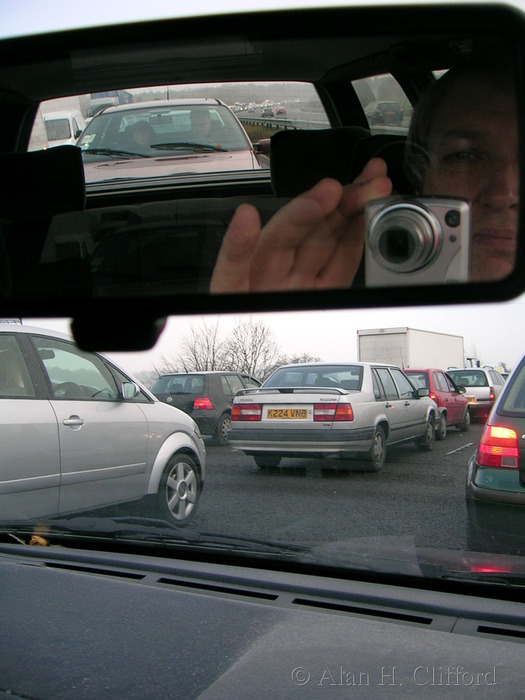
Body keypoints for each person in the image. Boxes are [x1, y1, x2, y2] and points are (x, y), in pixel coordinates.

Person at [210, 54, 518, 292]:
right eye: (465, 156)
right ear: (419, 174)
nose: (504, 194)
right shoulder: (340, 274)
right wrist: (275, 310)